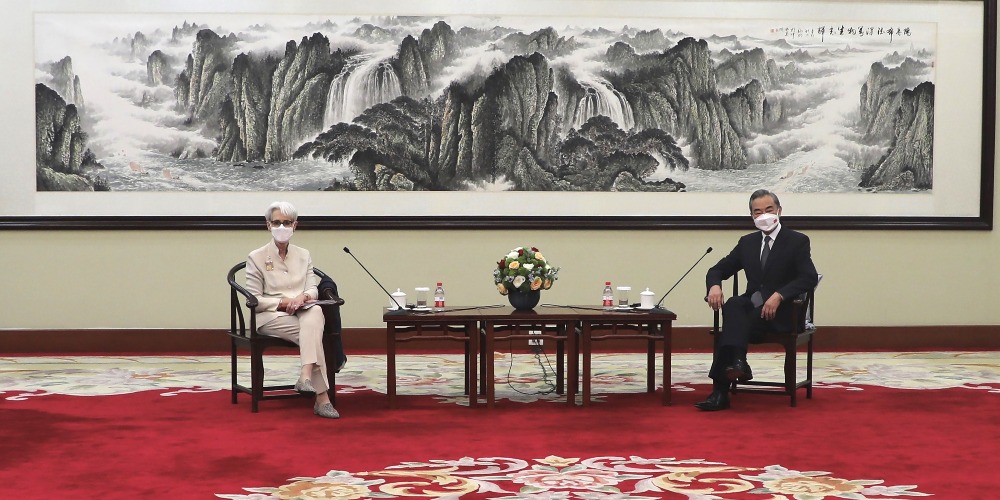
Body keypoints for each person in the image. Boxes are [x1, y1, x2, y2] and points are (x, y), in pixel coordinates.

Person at [699, 189, 819, 411]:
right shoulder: (748, 243)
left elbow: (808, 277)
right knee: (734, 304)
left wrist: (780, 295)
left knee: (733, 325)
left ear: (779, 211)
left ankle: (721, 391)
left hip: (782, 312)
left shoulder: (797, 241)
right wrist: (714, 285)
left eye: (769, 209)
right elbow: (717, 270)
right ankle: (738, 362)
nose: (764, 215)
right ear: (752, 216)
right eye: (758, 212)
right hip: (753, 310)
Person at [245, 201, 339, 419]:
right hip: (270, 317)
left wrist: (303, 297)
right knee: (313, 335)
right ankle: (322, 398)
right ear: (268, 225)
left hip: (303, 312)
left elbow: (312, 288)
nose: (282, 227)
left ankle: (305, 376)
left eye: (287, 223)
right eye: (277, 222)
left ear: (295, 226)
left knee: (315, 312)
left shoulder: (304, 254)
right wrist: (283, 303)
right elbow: (254, 300)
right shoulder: (256, 257)